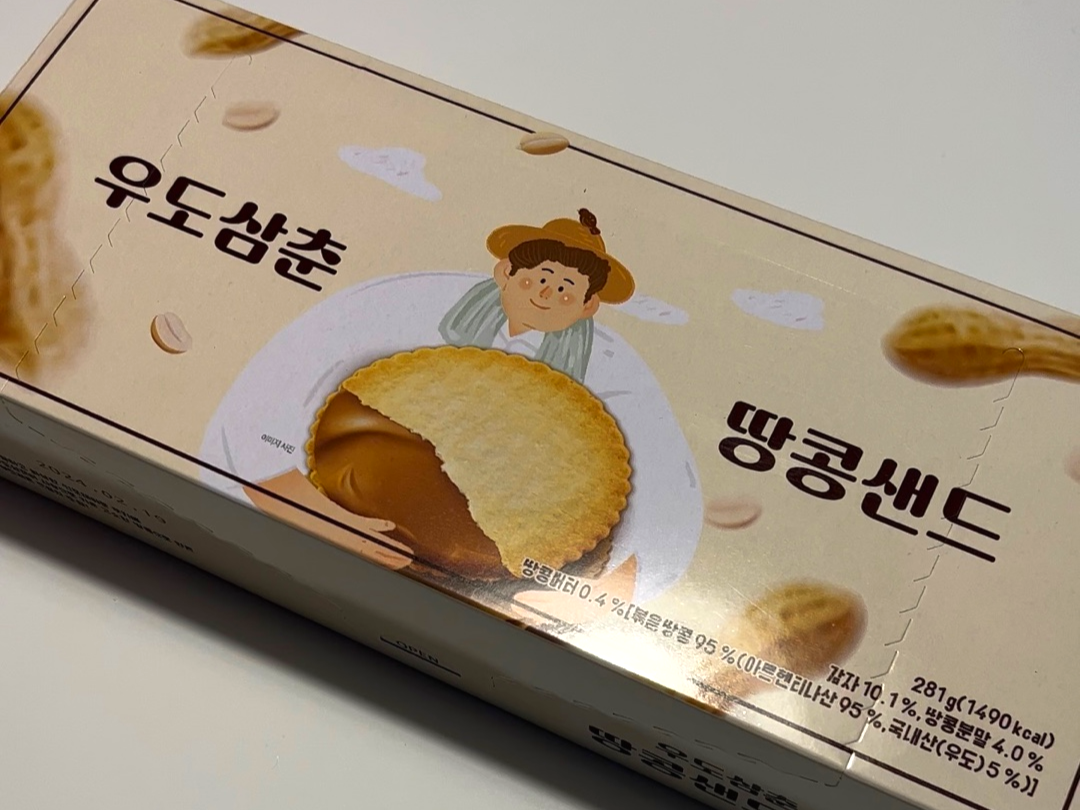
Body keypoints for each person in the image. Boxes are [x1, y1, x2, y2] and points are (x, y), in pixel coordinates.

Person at [199, 209, 703, 616]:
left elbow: (670, 489)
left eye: (567, 289)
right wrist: (311, 511)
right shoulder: (410, 301)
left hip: (515, 561)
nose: (548, 294)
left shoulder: (615, 367)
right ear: (505, 271)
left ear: (590, 306)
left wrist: (609, 594)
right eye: (540, 277)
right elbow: (269, 391)